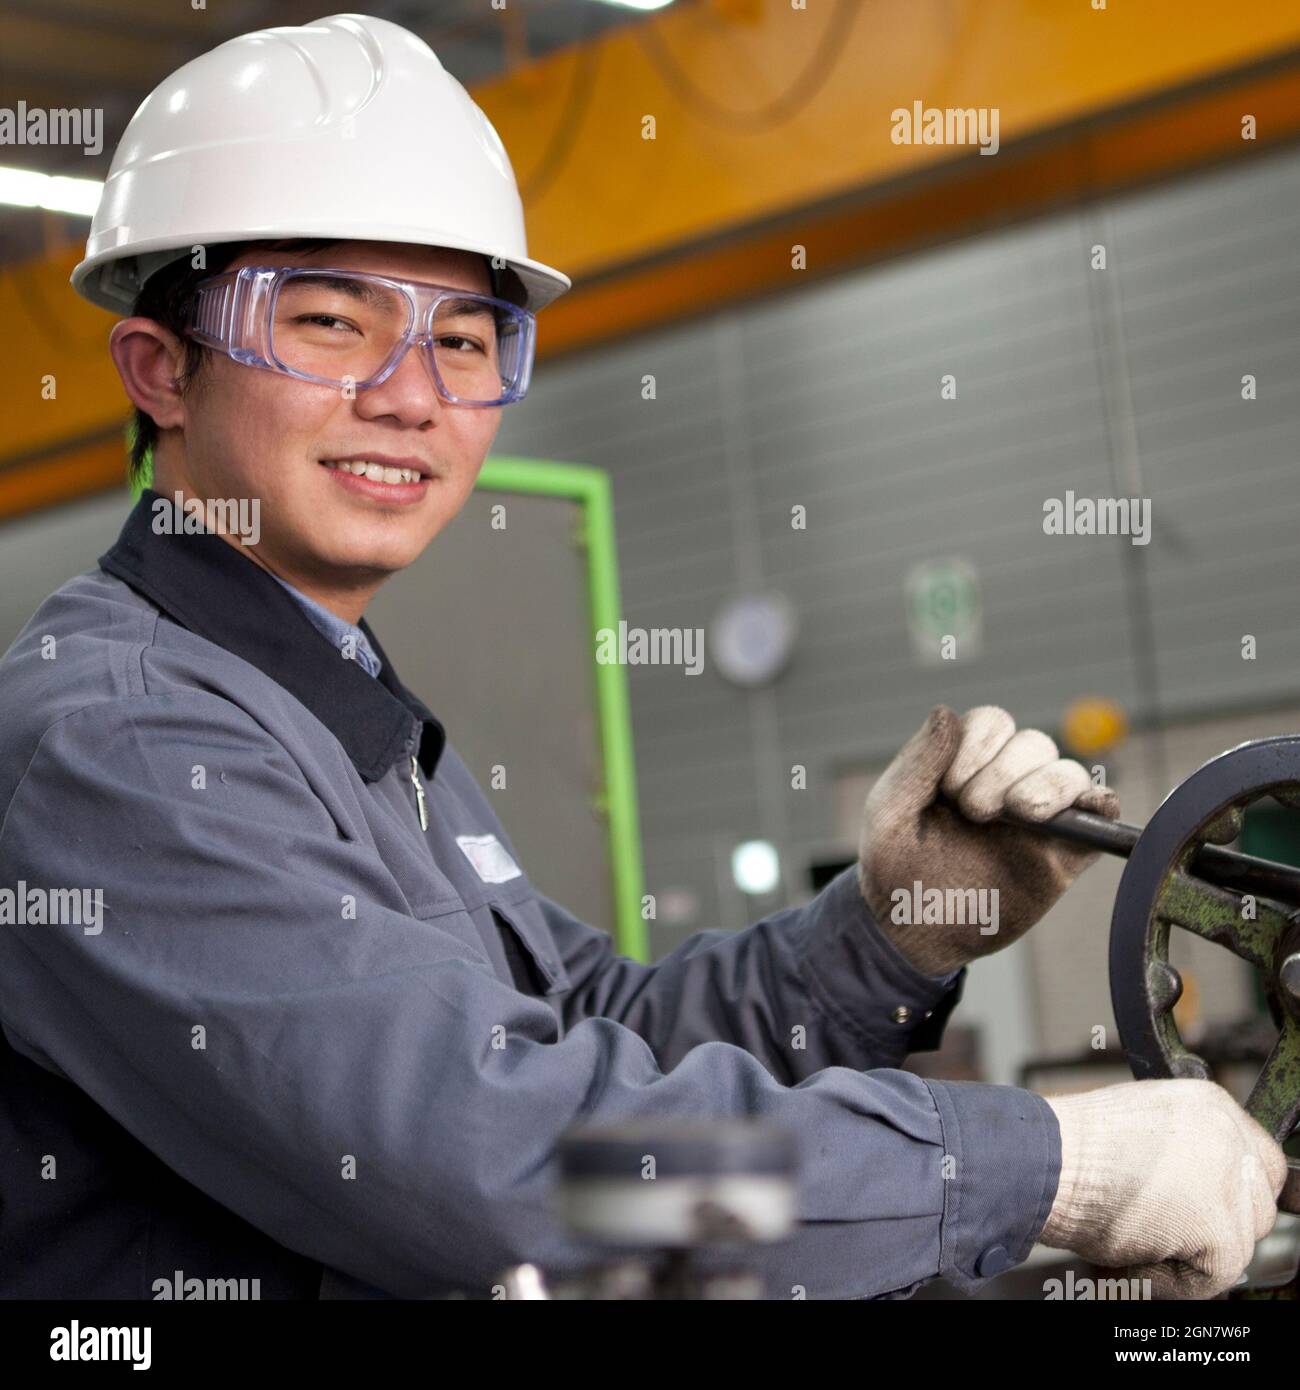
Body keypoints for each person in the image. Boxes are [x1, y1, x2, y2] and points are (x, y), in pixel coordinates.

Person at [0, 13, 1283, 1300]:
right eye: (328, 321)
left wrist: (894, 932)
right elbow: (507, 1160)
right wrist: (1042, 1166)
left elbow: (600, 1038)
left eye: (460, 337)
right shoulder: (121, 741)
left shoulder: (342, 707)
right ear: (159, 370)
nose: (409, 392)